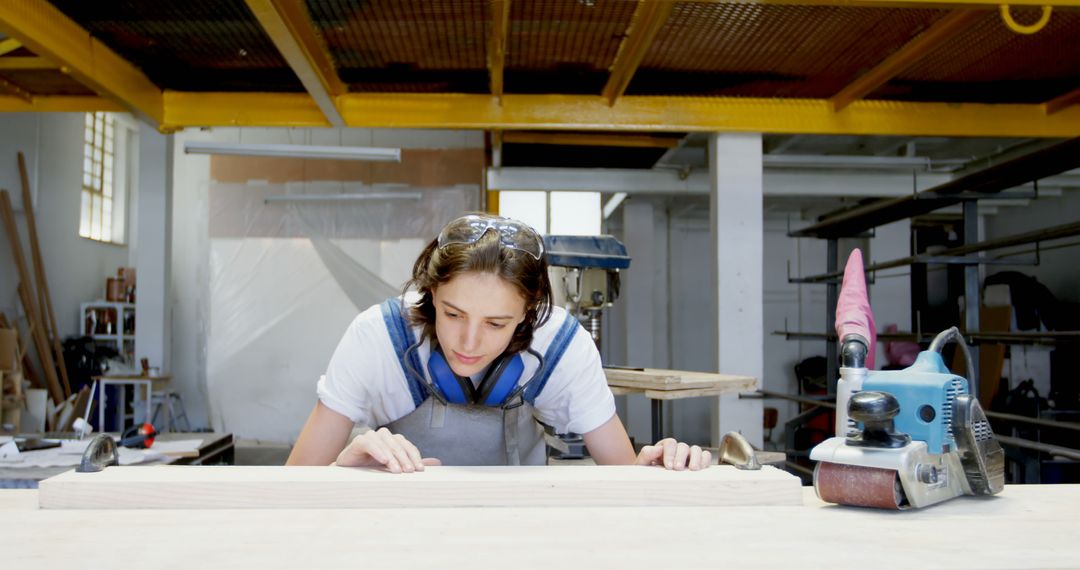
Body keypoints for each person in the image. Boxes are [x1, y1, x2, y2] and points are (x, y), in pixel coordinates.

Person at [287, 213, 712, 472]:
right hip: (399, 529)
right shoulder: (377, 338)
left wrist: (658, 464)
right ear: (430, 292)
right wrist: (344, 465)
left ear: (529, 312)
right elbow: (294, 483)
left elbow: (624, 479)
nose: (468, 342)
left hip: (519, 533)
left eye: (496, 323)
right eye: (453, 314)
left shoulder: (561, 347)